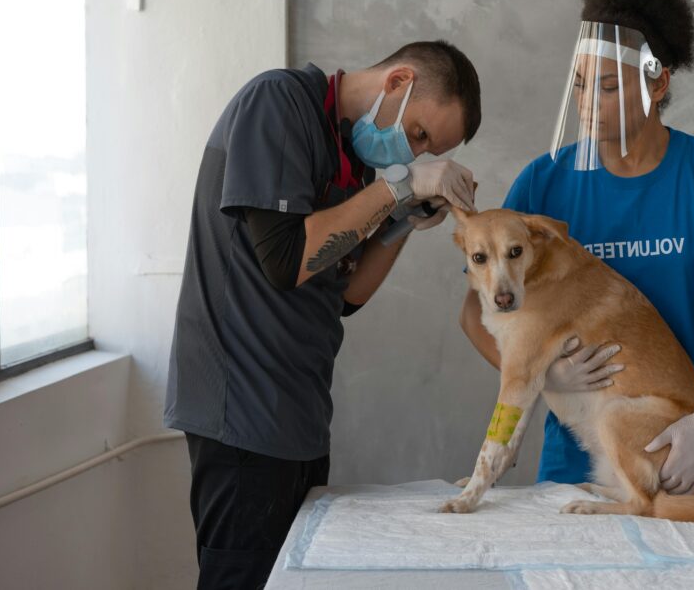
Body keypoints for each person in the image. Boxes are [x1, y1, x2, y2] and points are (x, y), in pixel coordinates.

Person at [164, 40, 481, 589]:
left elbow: (346, 296)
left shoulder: (356, 162)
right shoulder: (278, 102)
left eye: (429, 150)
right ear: (398, 82)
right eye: (420, 135)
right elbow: (287, 261)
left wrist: (401, 221)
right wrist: (400, 187)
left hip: (299, 418)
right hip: (241, 415)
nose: (416, 152)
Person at [460, 0, 694, 495]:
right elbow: (477, 314)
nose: (587, 103)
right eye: (581, 85)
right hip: (583, 471)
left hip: (693, 450)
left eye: (608, 86)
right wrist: (545, 376)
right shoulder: (543, 184)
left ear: (657, 82)